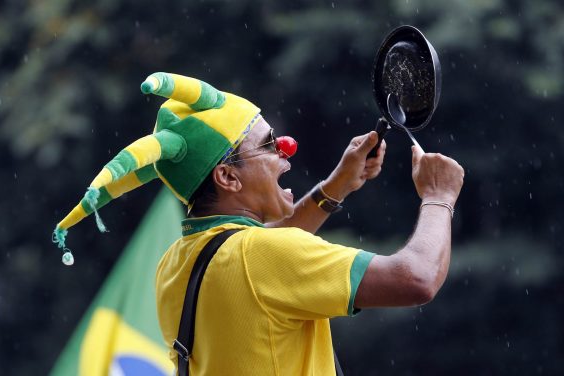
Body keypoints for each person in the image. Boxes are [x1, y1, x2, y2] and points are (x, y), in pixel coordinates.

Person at [53, 72, 464, 375]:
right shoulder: (262, 258)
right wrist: (438, 197)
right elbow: (418, 279)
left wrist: (335, 186)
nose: (286, 154)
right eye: (269, 145)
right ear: (228, 177)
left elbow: (261, 263)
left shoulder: (176, 263)